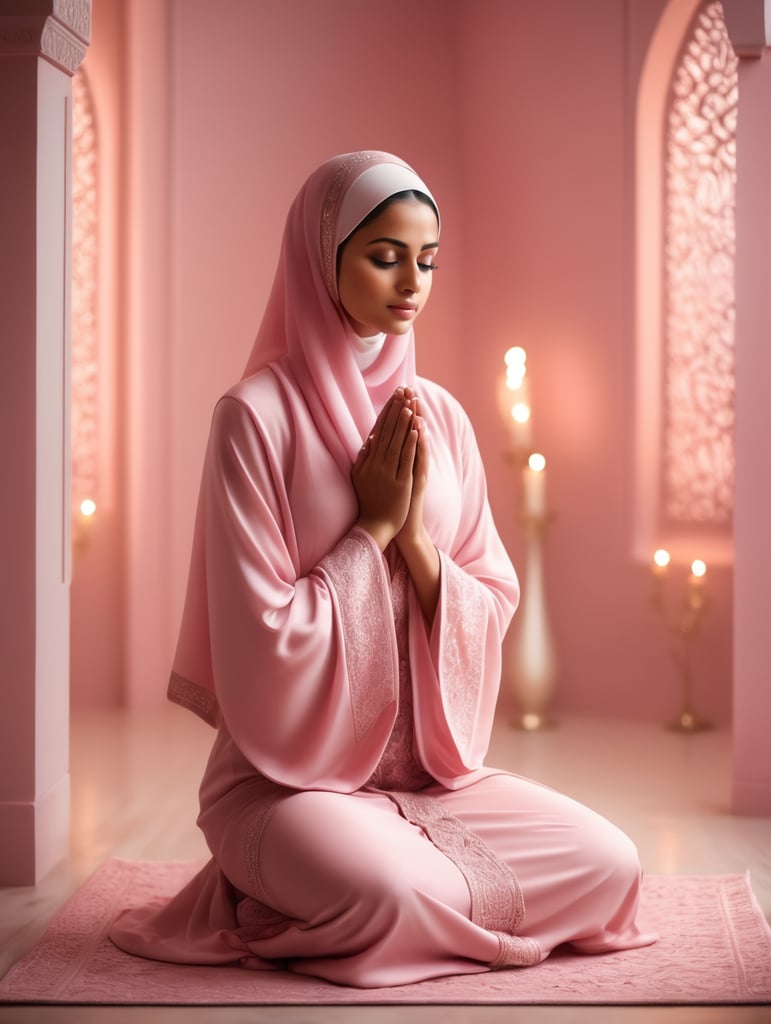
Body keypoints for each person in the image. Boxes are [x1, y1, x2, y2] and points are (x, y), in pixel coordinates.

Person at [109, 150, 656, 988]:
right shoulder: (253, 420)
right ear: (320, 257)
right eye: (384, 255)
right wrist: (369, 526)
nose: (412, 283)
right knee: (397, 893)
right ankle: (320, 883)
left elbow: (491, 592)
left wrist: (413, 543)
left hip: (432, 780)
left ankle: (396, 896)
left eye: (428, 260)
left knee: (611, 864)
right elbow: (260, 633)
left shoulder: (439, 416)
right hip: (285, 788)